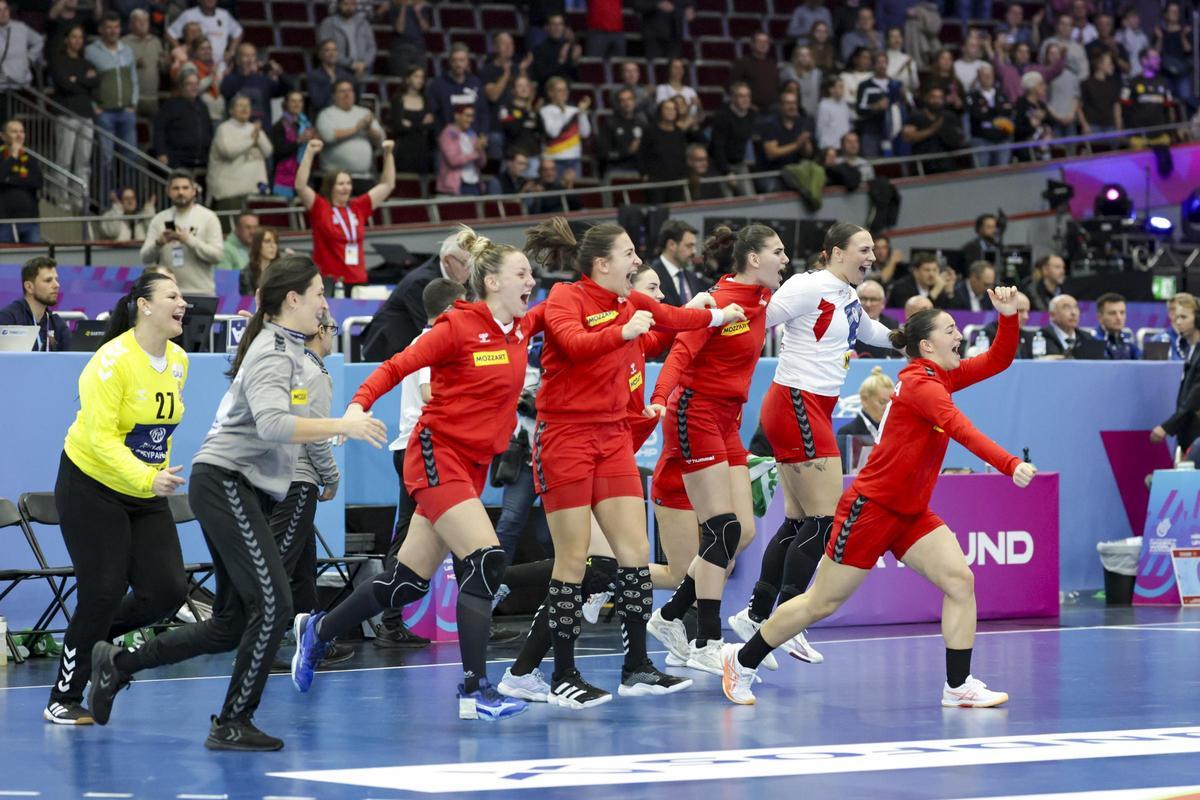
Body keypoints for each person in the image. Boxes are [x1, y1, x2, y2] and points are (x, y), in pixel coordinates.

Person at [88, 255, 389, 750]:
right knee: (274, 602)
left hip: (241, 487)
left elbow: (278, 425)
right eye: (317, 294)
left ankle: (117, 665)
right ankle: (231, 721)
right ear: (293, 299)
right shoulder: (273, 350)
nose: (324, 303)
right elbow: (273, 424)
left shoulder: (289, 349)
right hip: (223, 481)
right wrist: (343, 426)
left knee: (232, 623)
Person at [722, 286, 1036, 708]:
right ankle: (741, 661)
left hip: (911, 513)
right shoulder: (922, 385)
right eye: (951, 329)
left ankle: (958, 686)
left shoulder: (942, 376)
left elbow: (999, 359)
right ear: (927, 345)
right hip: (870, 510)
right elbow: (962, 429)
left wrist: (1009, 316)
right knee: (821, 602)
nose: (959, 335)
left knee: (960, 582)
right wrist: (1010, 463)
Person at [498, 217, 745, 709]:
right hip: (566, 437)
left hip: (613, 438)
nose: (637, 261)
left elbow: (672, 321)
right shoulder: (567, 298)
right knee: (575, 560)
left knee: (633, 556)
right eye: (629, 253)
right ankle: (562, 674)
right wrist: (623, 327)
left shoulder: (630, 304)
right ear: (602, 263)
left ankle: (635, 667)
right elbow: (574, 344)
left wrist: (717, 316)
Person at [292, 229, 537, 721]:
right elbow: (393, 368)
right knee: (486, 559)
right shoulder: (453, 327)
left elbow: (580, 313)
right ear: (490, 282)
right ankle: (474, 689)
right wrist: (357, 408)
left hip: (471, 466)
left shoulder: (521, 329)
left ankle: (317, 631)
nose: (533, 281)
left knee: (405, 583)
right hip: (433, 454)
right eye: (522, 274)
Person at [725, 223, 895, 667]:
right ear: (836, 252)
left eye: (873, 250)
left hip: (805, 406)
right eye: (864, 249)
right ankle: (786, 619)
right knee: (824, 520)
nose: (872, 257)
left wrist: (914, 339)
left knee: (800, 521)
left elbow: (871, 332)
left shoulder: (845, 294)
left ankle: (758, 614)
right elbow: (757, 316)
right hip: (796, 401)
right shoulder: (809, 286)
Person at [43, 272, 190, 725]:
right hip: (90, 485)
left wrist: (152, 478)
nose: (182, 302)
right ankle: (63, 696)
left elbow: (156, 431)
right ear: (144, 305)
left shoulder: (180, 359)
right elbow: (103, 442)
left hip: (143, 487)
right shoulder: (110, 363)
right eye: (172, 295)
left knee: (167, 592)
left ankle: (93, 647)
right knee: (102, 591)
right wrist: (149, 478)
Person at [647, 225, 784, 675]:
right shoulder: (719, 303)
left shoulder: (765, 298)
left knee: (742, 531)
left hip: (728, 420)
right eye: (778, 252)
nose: (785, 259)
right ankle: (707, 638)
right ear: (752, 259)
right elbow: (679, 355)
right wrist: (661, 397)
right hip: (695, 413)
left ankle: (668, 618)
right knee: (722, 530)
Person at [374, 277, 464, 648]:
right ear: (450, 310)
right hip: (421, 448)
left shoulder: (431, 340)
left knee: (430, 534)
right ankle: (388, 620)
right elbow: (431, 391)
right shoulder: (433, 340)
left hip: (422, 447)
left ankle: (391, 619)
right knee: (416, 535)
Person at [271, 310, 353, 669]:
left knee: (303, 568)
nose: (333, 335)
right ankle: (263, 645)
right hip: (297, 481)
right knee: (279, 565)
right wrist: (332, 478)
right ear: (320, 330)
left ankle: (313, 641)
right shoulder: (315, 373)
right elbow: (316, 435)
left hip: (278, 477)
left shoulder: (287, 365)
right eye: (332, 328)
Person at [294, 136, 396, 288]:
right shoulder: (320, 207)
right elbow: (300, 187)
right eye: (341, 183)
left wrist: (388, 155)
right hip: (330, 282)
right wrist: (309, 153)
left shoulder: (358, 207)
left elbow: (387, 185)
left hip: (359, 280)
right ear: (331, 187)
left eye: (348, 183)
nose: (346, 187)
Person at [358, 230, 471, 359]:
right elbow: (431, 328)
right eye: (465, 264)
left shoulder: (459, 277)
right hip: (387, 350)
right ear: (447, 261)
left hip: (411, 349)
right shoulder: (422, 282)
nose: (470, 270)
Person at [140, 170, 224, 296]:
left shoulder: (209, 217)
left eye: (185, 188)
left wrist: (188, 239)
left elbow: (217, 256)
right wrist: (159, 242)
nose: (180, 192)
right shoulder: (159, 219)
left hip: (201, 292)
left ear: (194, 191)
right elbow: (144, 258)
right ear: (168, 191)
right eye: (176, 188)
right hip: (167, 294)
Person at [86, 12, 140, 200]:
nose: (112, 31)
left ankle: (128, 199)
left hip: (126, 112)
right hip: (104, 112)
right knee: (105, 159)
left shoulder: (127, 50)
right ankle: (105, 201)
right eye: (108, 27)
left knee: (130, 158)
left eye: (116, 27)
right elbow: (86, 81)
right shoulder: (91, 51)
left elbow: (134, 78)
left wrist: (133, 103)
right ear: (101, 29)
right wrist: (94, 106)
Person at [50, 23, 98, 203]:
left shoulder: (86, 62)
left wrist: (76, 79)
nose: (77, 40)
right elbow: (64, 83)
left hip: (86, 115)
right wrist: (83, 80)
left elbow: (95, 82)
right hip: (66, 113)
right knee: (64, 158)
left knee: (84, 161)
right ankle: (61, 196)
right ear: (66, 39)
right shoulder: (58, 60)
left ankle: (79, 198)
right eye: (74, 37)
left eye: (80, 37)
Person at [207, 95, 273, 224]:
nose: (245, 109)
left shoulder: (253, 128)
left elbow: (268, 151)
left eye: (247, 106)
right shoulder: (224, 129)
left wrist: (257, 136)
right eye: (240, 106)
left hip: (253, 193)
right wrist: (251, 140)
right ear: (231, 110)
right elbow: (229, 152)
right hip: (230, 195)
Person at [1153, 300, 1200, 453]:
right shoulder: (1190, 349)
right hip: (1187, 429)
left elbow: (1195, 396)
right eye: (1176, 317)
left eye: (1184, 317)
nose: (1178, 322)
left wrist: (1167, 426)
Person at [315, 79, 386, 179]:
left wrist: (369, 129)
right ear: (334, 95)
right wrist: (357, 128)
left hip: (364, 176)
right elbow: (328, 136)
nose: (347, 94)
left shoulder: (364, 112)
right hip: (334, 177)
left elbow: (381, 139)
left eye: (350, 90)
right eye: (342, 91)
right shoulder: (326, 114)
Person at [0, 257, 72, 351]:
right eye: (48, 280)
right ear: (29, 287)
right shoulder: (8, 319)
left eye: (56, 279)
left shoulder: (56, 324)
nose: (56, 285)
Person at [154, 71, 214, 169]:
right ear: (181, 86)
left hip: (203, 160)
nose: (194, 87)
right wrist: (161, 152)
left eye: (196, 84)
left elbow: (209, 130)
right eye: (189, 84)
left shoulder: (203, 106)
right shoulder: (170, 105)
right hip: (177, 160)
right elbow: (159, 129)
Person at [219, 43, 289, 127]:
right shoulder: (230, 79)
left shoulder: (264, 80)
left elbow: (288, 89)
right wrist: (244, 74)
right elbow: (225, 92)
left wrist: (280, 72)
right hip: (239, 132)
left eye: (253, 56)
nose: (250, 59)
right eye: (246, 56)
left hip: (262, 132)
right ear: (237, 60)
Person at [539, 76, 592, 184]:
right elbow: (553, 132)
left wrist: (581, 114)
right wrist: (562, 111)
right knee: (556, 192)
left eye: (565, 89)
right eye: (559, 90)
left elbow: (585, 133)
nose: (564, 93)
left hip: (574, 159)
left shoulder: (574, 110)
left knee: (574, 195)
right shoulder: (545, 111)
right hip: (554, 159)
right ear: (550, 93)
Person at [709, 82, 757, 197]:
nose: (745, 99)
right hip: (721, 165)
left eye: (748, 96)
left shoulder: (752, 114)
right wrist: (726, 172)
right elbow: (717, 146)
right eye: (741, 96)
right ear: (733, 98)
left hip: (740, 163)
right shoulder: (722, 116)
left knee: (750, 197)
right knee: (728, 201)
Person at [0, 119, 44, 244]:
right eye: (14, 131)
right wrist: (13, 156)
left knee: (34, 261)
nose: (19, 135)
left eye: (22, 131)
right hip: (4, 221)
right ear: (3, 136)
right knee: (5, 261)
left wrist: (10, 180)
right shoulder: (1, 156)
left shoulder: (30, 157)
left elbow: (37, 182)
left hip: (29, 220)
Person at [388, 64, 434, 177]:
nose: (420, 80)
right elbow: (398, 126)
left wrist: (410, 125)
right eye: (416, 76)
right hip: (403, 149)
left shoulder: (426, 100)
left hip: (422, 149)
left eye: (422, 77)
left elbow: (431, 126)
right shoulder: (398, 99)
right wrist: (420, 124)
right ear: (408, 79)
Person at [167, 0, 242, 67]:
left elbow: (238, 32)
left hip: (220, 66)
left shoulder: (224, 15)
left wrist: (231, 51)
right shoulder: (188, 15)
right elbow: (170, 33)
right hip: (195, 66)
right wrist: (180, 52)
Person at [271, 90, 315, 199]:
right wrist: (298, 141)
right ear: (286, 104)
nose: (297, 104)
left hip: (304, 172)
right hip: (286, 174)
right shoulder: (279, 125)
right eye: (293, 101)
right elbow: (278, 152)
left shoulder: (306, 123)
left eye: (300, 101)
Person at [436, 104, 487, 196]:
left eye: (472, 116)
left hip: (474, 183)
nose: (470, 120)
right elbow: (453, 161)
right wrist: (476, 152)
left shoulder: (472, 135)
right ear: (457, 116)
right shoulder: (448, 134)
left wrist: (481, 150)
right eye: (467, 116)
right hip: (456, 185)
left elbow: (481, 164)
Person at [316, 0, 376, 78]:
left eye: (352, 4)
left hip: (363, 69)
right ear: (338, 5)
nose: (349, 7)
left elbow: (372, 47)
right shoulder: (328, 23)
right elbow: (326, 50)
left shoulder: (364, 23)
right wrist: (350, 64)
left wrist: (364, 63)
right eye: (345, 4)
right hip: (338, 68)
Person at [650, 219, 702, 307]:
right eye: (689, 246)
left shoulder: (692, 277)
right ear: (672, 244)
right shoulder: (651, 276)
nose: (694, 251)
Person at [598, 87, 647, 180]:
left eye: (629, 99)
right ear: (618, 103)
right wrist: (627, 151)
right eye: (622, 100)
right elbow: (603, 153)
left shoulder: (641, 123)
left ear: (634, 101)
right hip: (617, 170)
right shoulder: (609, 124)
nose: (626, 103)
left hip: (639, 170)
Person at [122, 9, 163, 118]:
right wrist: (134, 64)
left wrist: (165, 62)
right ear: (131, 24)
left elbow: (163, 68)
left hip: (152, 98)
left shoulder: (156, 41)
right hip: (131, 98)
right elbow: (117, 69)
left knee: (154, 131)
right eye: (138, 21)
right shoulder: (123, 43)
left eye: (146, 21)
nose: (143, 23)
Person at [837, 366, 893, 440]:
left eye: (890, 403)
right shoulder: (847, 433)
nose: (887, 408)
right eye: (882, 402)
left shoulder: (898, 431)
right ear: (864, 400)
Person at [0, 0, 44, 92]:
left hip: (21, 84)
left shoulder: (21, 28)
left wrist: (30, 58)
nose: (3, 13)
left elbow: (39, 41)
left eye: (5, 9)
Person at [887, 251, 957, 309]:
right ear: (916, 271)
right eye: (927, 270)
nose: (932, 274)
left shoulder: (938, 287)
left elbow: (953, 314)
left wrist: (949, 293)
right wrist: (935, 290)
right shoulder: (901, 288)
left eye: (935, 270)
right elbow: (916, 313)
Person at [307, 39, 356, 116]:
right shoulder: (314, 76)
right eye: (327, 50)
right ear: (320, 54)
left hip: (345, 113)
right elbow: (317, 101)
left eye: (334, 50)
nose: (332, 53)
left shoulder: (345, 75)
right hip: (324, 114)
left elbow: (352, 99)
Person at [853, 279, 900, 358]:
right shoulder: (847, 323)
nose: (868, 304)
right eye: (863, 298)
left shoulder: (892, 325)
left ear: (883, 303)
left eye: (873, 299)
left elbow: (895, 356)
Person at [1038, 294, 1096, 358]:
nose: (1073, 313)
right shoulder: (1042, 337)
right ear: (1052, 315)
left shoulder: (1087, 337)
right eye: (1066, 308)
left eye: (1076, 307)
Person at [1093, 292, 1140, 359]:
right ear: (1100, 317)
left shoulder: (1127, 338)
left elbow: (1141, 359)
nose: (1119, 318)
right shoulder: (1093, 340)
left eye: (1122, 313)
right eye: (1112, 313)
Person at [240, 227, 279, 295]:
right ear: (257, 244)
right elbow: (249, 302)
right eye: (267, 241)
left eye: (275, 242)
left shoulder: (281, 270)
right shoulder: (246, 274)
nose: (273, 246)